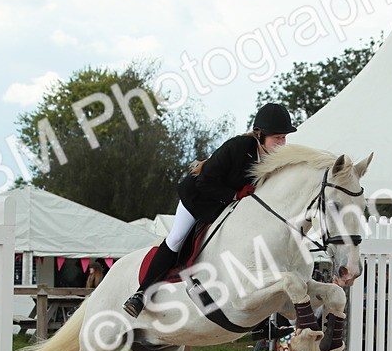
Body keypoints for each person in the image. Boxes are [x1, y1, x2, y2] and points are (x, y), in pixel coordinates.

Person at [124, 103, 297, 317]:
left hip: (225, 206)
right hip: (197, 197)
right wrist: (234, 195)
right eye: (277, 138)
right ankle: (140, 295)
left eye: (284, 138)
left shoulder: (273, 160)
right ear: (260, 135)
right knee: (177, 238)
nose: (282, 143)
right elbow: (204, 181)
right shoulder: (238, 147)